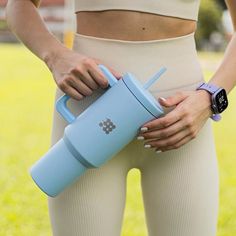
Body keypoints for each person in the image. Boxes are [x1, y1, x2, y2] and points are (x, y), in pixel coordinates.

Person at [6, 0, 236, 235]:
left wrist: (210, 98)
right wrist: (55, 56)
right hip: (88, 122)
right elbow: (19, 6)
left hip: (182, 128)